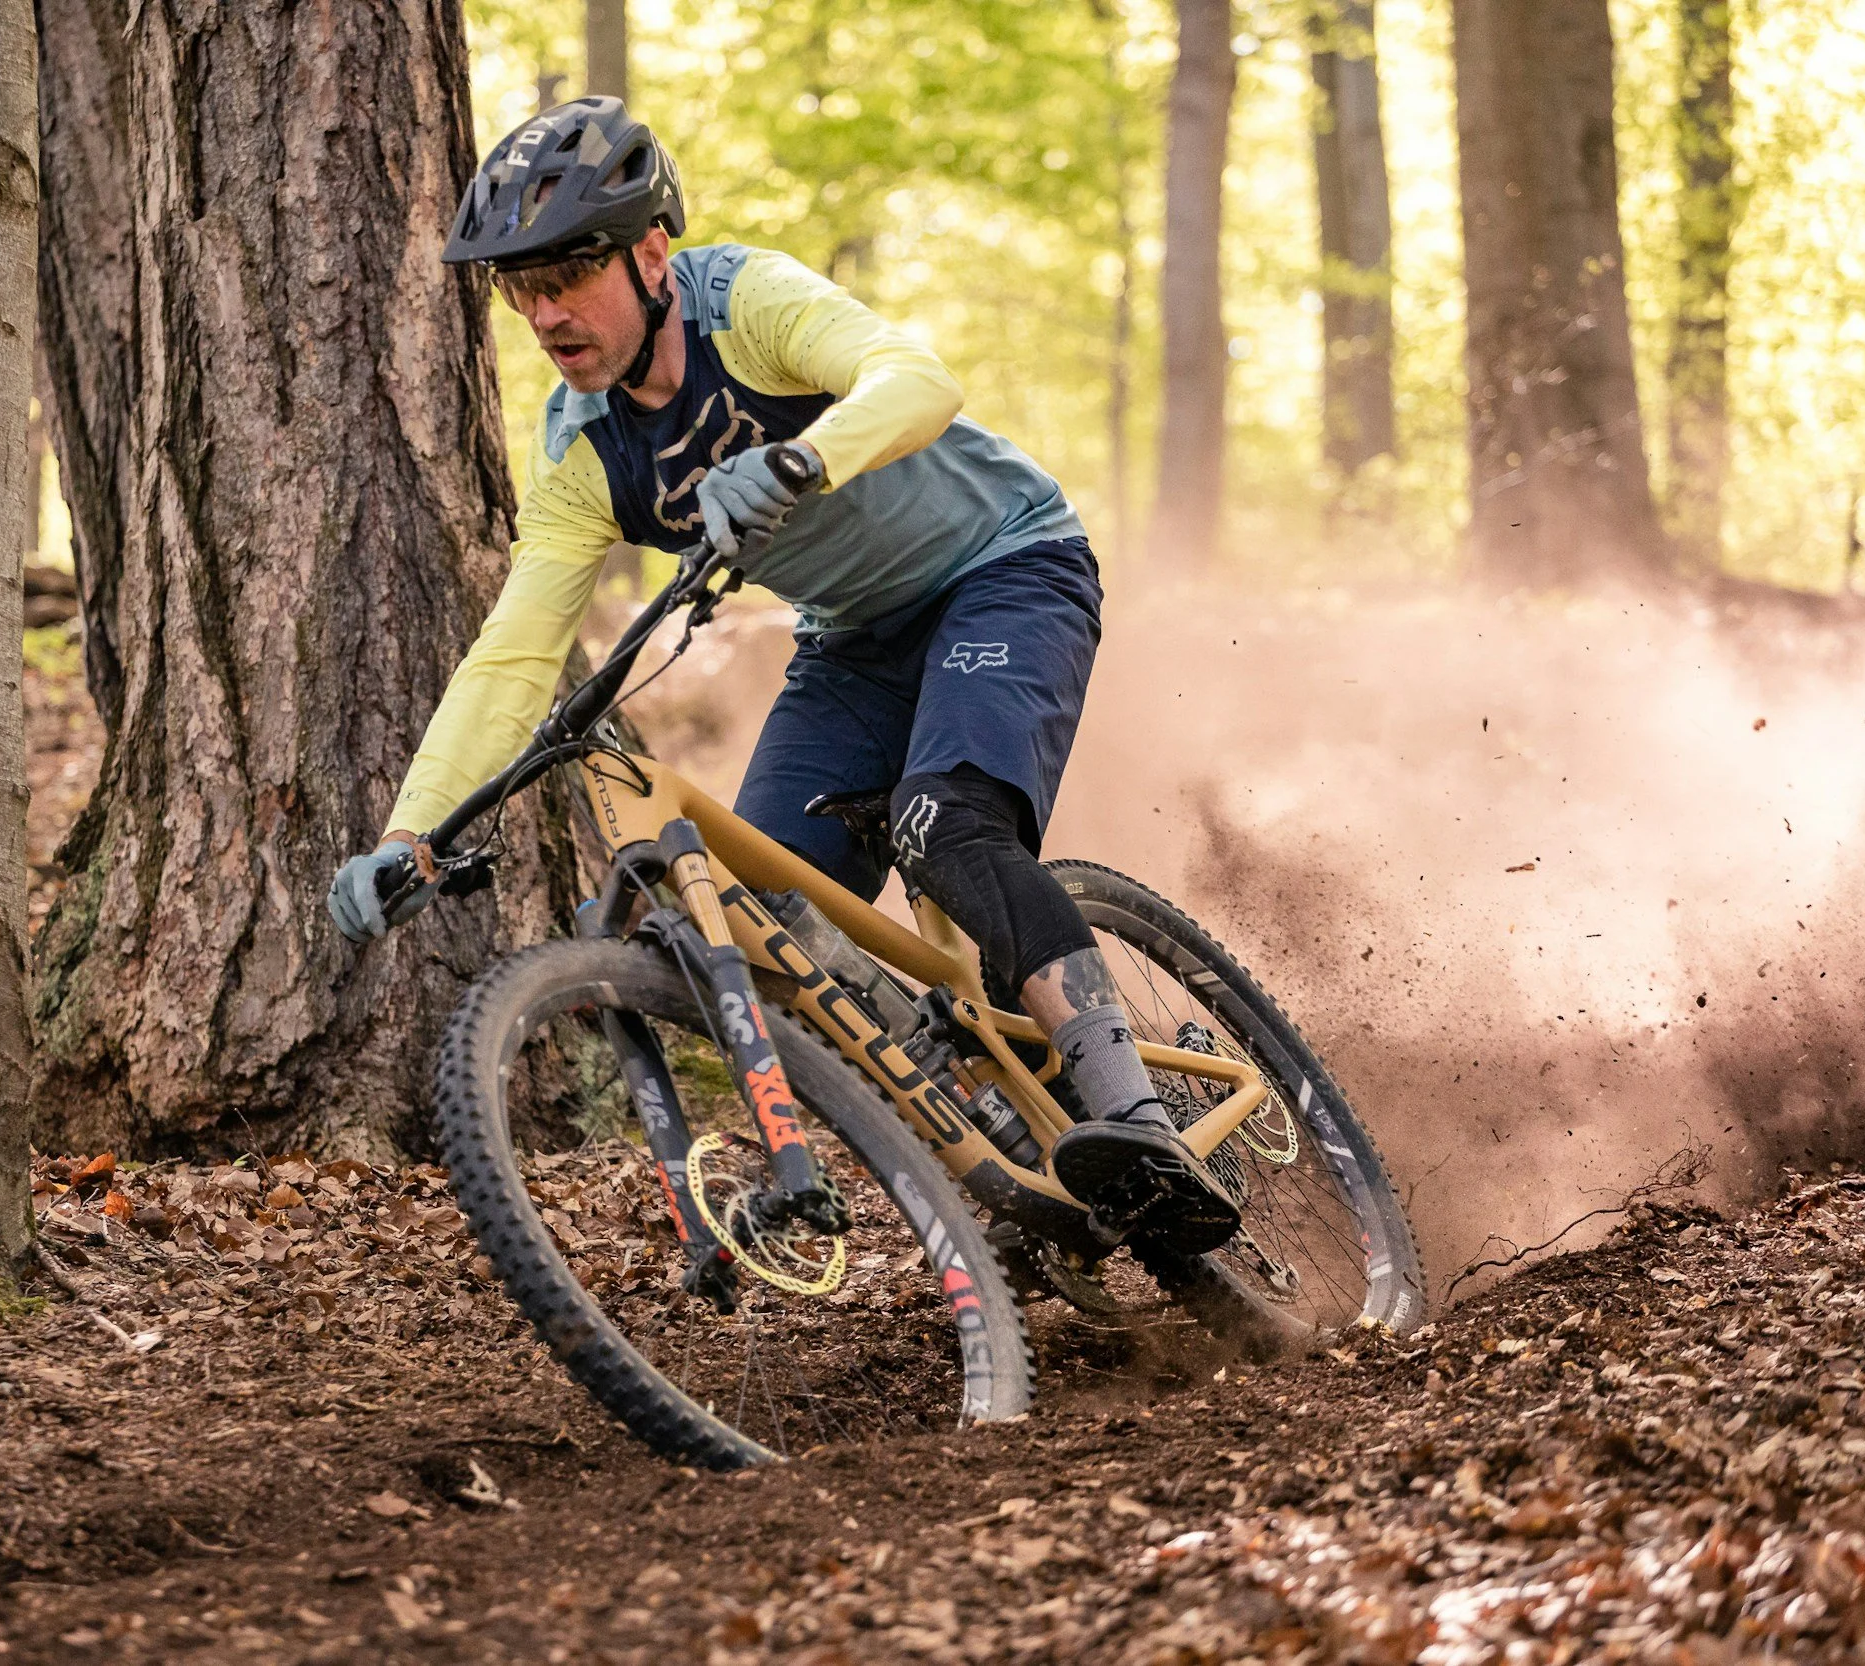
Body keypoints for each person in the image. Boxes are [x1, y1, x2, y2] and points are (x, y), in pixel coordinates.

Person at [327, 98, 1235, 1255]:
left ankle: (1137, 1120)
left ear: (650, 251)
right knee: (753, 921)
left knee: (945, 825)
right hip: (852, 636)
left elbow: (915, 381)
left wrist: (800, 455)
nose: (546, 310)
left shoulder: (742, 304)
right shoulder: (584, 453)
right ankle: (991, 1136)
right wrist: (414, 831)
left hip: (1003, 566)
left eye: (570, 272)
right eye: (520, 286)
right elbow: (511, 652)